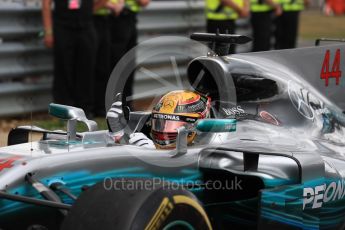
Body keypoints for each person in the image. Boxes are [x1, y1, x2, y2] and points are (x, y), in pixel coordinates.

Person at [42, 0, 106, 117]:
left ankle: (85, 109)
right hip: (63, 25)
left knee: (86, 68)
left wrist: (87, 12)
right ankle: (62, 109)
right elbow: (46, 4)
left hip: (86, 25)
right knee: (63, 68)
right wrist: (48, 31)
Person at [106, 90, 212, 149]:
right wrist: (118, 135)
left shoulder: (210, 150)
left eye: (174, 125)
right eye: (160, 123)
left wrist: (152, 155)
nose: (164, 130)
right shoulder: (145, 142)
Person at [109, 0, 150, 106]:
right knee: (116, 63)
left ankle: (126, 103)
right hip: (115, 17)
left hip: (130, 18)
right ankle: (114, 103)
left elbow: (144, 2)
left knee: (129, 64)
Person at [93, 0, 124, 116]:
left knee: (104, 67)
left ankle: (101, 106)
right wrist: (107, 3)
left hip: (106, 19)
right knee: (91, 67)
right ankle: (90, 106)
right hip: (90, 20)